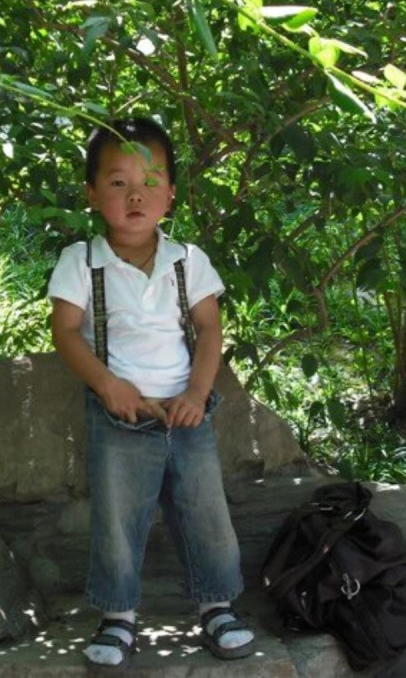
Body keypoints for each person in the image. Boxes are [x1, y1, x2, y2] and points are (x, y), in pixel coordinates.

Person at [47, 117, 255, 671]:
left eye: (150, 181)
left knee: (204, 510)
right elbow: (65, 332)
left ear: (171, 194)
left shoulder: (188, 260)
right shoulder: (81, 261)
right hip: (120, 415)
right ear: (92, 194)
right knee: (118, 519)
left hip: (188, 412)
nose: (135, 195)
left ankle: (217, 605)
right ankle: (118, 615)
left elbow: (209, 329)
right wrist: (107, 384)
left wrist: (197, 392)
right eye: (118, 182)